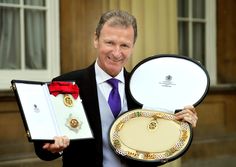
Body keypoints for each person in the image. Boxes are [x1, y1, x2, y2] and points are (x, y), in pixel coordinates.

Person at [34, 9, 198, 167]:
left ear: (133, 47)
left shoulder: (146, 91)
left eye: (125, 45)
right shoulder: (65, 85)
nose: (117, 52)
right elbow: (44, 150)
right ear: (96, 40)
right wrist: (55, 149)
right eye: (110, 42)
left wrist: (181, 130)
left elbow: (154, 150)